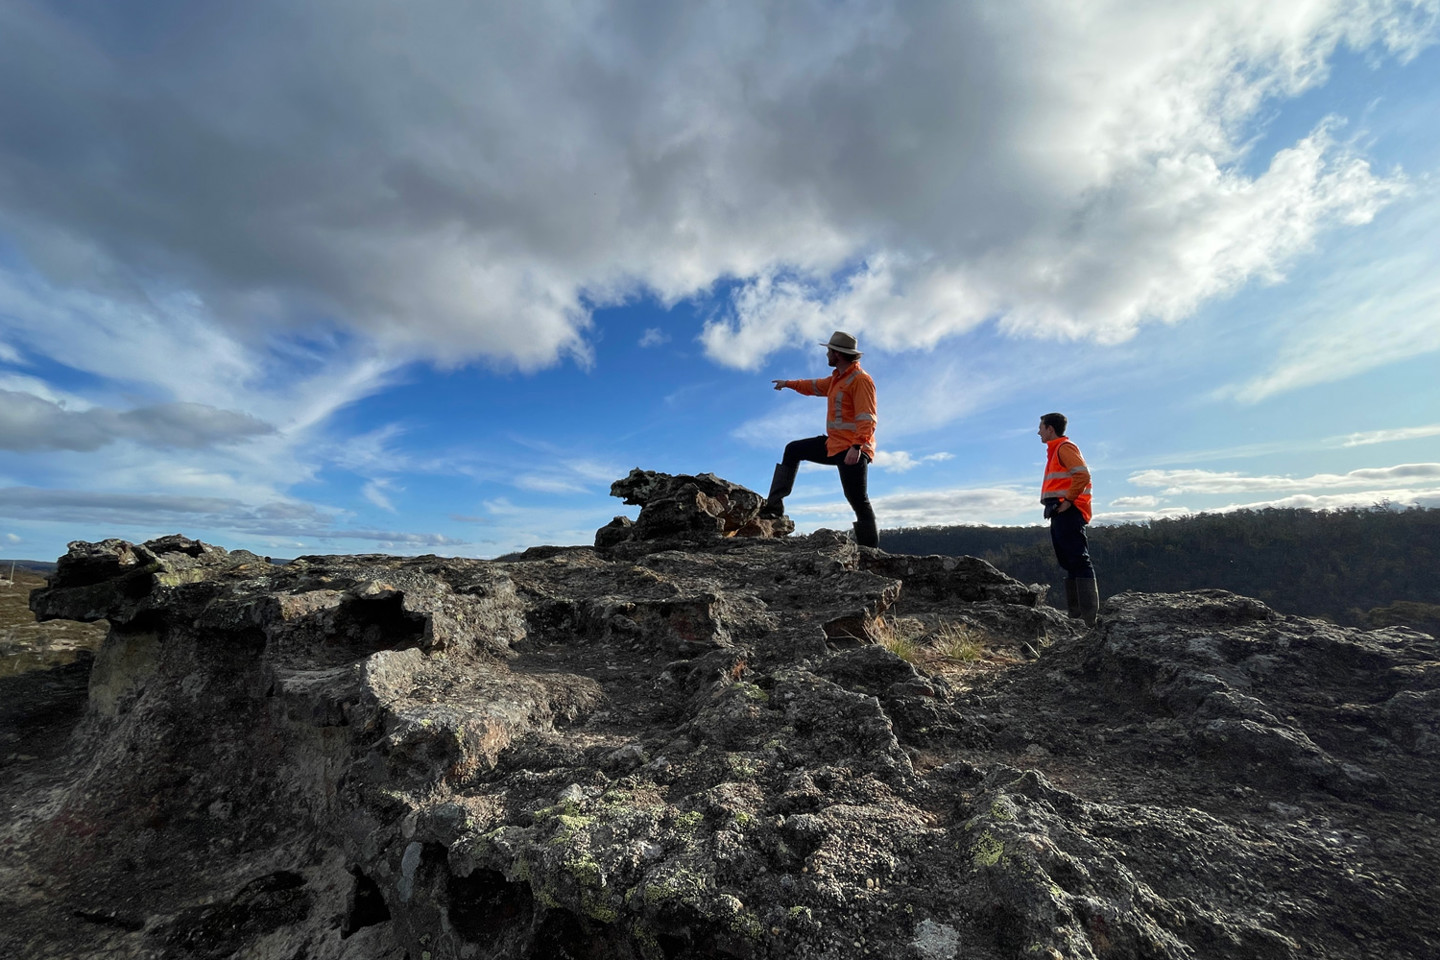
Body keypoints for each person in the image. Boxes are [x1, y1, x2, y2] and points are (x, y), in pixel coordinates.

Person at [762, 331, 879, 548]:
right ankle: (774, 507)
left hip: (852, 449)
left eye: (829, 351)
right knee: (793, 449)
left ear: (838, 354)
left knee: (858, 500)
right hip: (834, 444)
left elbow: (868, 417)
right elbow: (812, 386)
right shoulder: (837, 379)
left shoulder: (861, 380)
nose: (826, 354)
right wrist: (788, 383)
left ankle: (870, 553)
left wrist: (857, 446)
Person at [1038, 412, 1099, 625]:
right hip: (1060, 512)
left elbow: (1082, 475)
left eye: (1041, 427)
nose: (1039, 432)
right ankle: (1076, 617)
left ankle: (1088, 619)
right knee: (1068, 560)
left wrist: (1068, 501)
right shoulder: (1055, 451)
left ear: (1050, 429)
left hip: (1069, 512)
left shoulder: (1064, 448)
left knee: (1078, 559)